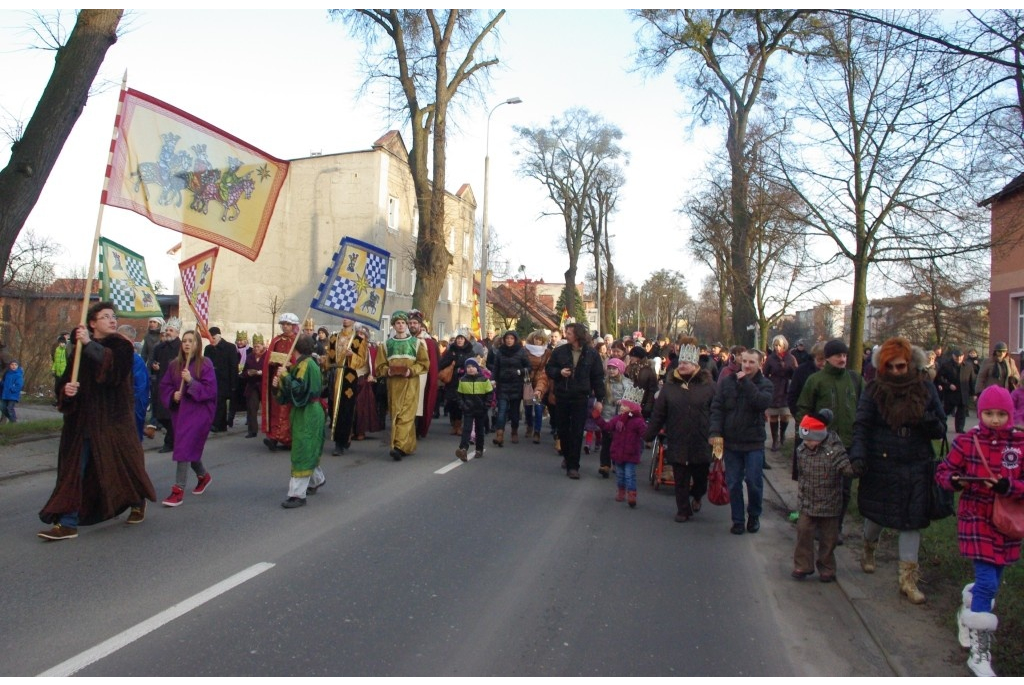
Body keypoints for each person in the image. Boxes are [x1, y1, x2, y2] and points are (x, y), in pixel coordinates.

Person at [38, 301, 156, 540]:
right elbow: (65, 380)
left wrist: (89, 343)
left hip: (114, 420)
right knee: (75, 470)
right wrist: (66, 390)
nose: (112, 320)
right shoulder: (79, 350)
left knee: (123, 465)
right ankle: (68, 522)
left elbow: (113, 370)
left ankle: (136, 501)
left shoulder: (121, 346)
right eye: (105, 317)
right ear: (92, 323)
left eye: (113, 316)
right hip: (82, 421)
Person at [936, 385, 1024, 677]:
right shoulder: (968, 441)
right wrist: (956, 481)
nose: (995, 420)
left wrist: (1008, 486)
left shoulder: (1020, 443)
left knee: (992, 583)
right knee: (987, 582)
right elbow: (943, 471)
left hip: (1008, 521)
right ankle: (979, 653)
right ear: (980, 412)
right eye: (989, 414)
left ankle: (968, 609)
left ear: (1010, 415)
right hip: (976, 518)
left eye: (1001, 414)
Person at [850, 337, 946, 604]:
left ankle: (908, 580)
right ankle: (868, 548)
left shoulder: (925, 388)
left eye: (900, 366)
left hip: (916, 464)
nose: (895, 371)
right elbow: (862, 425)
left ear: (910, 364)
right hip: (882, 462)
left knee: (911, 521)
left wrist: (925, 420)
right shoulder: (873, 390)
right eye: (889, 366)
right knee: (877, 516)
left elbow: (940, 427)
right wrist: (857, 454)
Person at [795, 338, 864, 536]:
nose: (842, 359)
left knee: (843, 490)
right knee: (821, 489)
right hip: (822, 445)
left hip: (848, 443)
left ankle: (836, 528)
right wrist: (810, 435)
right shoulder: (815, 380)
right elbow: (803, 410)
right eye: (837, 356)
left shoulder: (855, 380)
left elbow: (865, 407)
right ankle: (818, 526)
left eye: (844, 355)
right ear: (827, 358)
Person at [643, 339, 716, 522]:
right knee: (680, 477)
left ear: (696, 365)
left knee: (700, 477)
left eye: (687, 363)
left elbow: (717, 412)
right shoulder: (670, 387)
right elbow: (659, 414)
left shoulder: (709, 387)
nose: (682, 366)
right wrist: (649, 435)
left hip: (701, 439)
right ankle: (683, 510)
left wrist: (717, 434)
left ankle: (698, 495)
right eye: (681, 362)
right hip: (677, 438)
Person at [710, 348, 773, 535]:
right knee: (733, 483)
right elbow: (717, 408)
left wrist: (745, 382)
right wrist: (715, 432)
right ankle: (737, 519)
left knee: (753, 482)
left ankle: (754, 514)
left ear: (760, 363)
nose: (746, 365)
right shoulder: (727, 382)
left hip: (753, 442)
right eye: (744, 361)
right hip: (731, 442)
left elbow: (761, 402)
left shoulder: (765, 384)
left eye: (751, 362)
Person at [791, 409, 857, 583]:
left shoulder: (834, 450)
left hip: (830, 503)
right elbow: (801, 474)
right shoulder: (801, 450)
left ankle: (827, 567)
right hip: (807, 503)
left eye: (810, 439)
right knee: (803, 533)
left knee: (829, 538)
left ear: (820, 435)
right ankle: (803, 565)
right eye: (804, 439)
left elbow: (847, 468)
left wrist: (855, 467)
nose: (807, 442)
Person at [159, 330, 216, 507]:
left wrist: (191, 381)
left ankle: (178, 490)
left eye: (191, 341)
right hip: (181, 413)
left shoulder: (205, 364)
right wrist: (172, 395)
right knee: (187, 446)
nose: (187, 344)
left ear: (197, 344)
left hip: (199, 413)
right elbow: (165, 385)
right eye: (184, 341)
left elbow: (210, 390)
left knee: (184, 446)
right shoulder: (174, 365)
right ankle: (203, 476)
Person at [545, 323, 605, 480]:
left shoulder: (591, 354)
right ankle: (567, 455)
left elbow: (598, 377)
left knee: (577, 431)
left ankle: (573, 466)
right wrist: (559, 372)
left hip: (580, 396)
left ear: (578, 335)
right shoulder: (559, 351)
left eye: (570, 332)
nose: (567, 334)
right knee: (563, 430)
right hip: (563, 395)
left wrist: (599, 398)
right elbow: (549, 369)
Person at [274, 334, 327, 508]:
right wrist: (280, 382)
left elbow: (299, 390)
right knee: (308, 448)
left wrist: (285, 377)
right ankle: (317, 479)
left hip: (308, 413)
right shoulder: (304, 363)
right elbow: (291, 391)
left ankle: (297, 495)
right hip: (304, 412)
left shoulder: (306, 365)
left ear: (296, 349)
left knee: (302, 451)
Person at [375, 311, 429, 460]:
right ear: (393, 325)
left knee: (406, 415)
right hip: (394, 385)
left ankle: (397, 446)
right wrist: (388, 371)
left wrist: (411, 371)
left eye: (403, 323)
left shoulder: (416, 343)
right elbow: (379, 366)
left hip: (411, 383)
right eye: (398, 323)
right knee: (396, 415)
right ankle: (407, 446)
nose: (401, 325)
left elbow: (424, 364)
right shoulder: (386, 345)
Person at [595, 388, 647, 508]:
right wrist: (598, 418)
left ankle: (632, 494)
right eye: (622, 405)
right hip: (618, 453)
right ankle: (621, 491)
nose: (622, 407)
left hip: (631, 453)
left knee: (630, 475)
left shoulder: (638, 422)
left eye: (625, 405)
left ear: (632, 408)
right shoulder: (617, 420)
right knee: (620, 475)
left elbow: (644, 433)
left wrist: (651, 431)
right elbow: (607, 427)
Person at [327, 319, 368, 455]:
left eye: (348, 317)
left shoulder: (358, 340)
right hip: (334, 374)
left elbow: (362, 360)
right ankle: (340, 437)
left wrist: (353, 356)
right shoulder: (333, 338)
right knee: (333, 408)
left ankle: (341, 440)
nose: (345, 319)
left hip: (348, 376)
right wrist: (323, 362)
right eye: (343, 317)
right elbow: (329, 359)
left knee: (345, 408)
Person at [263, 313, 300, 451]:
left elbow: (300, 360)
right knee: (276, 407)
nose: (285, 327)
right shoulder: (276, 340)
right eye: (283, 324)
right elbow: (268, 359)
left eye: (288, 324)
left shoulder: (297, 341)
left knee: (288, 409)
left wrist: (291, 365)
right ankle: (273, 436)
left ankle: (288, 438)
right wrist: (271, 362)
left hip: (290, 379)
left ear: (293, 326)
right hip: (277, 379)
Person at [491, 330, 531, 446]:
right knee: (501, 411)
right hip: (502, 385)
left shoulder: (521, 351)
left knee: (514, 412)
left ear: (515, 340)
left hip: (516, 385)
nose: (509, 340)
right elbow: (496, 367)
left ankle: (514, 431)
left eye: (511, 338)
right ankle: (499, 435)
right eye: (507, 338)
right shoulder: (500, 352)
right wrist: (493, 379)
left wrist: (520, 371)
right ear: (504, 340)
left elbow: (528, 367)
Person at [596, 357, 634, 478]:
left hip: (620, 416)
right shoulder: (604, 381)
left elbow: (631, 398)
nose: (611, 371)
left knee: (617, 441)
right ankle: (605, 465)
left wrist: (623, 401)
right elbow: (599, 395)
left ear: (620, 369)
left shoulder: (626, 383)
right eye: (609, 368)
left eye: (614, 368)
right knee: (606, 441)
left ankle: (616, 462)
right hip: (607, 414)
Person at [150, 318, 181, 453]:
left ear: (177, 333)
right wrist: (154, 366)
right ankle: (174, 439)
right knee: (161, 415)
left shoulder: (180, 347)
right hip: (161, 384)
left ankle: (170, 442)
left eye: (171, 330)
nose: (168, 332)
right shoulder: (159, 347)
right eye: (167, 330)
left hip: (175, 386)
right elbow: (152, 361)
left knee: (171, 415)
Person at [763, 334, 798, 453]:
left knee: (785, 415)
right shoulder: (770, 358)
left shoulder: (791, 358)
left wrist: (790, 370)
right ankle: (775, 440)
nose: (777, 347)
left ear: (784, 345)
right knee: (773, 415)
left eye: (779, 345)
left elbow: (796, 373)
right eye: (775, 345)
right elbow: (765, 373)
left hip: (786, 388)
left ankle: (782, 434)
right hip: (774, 387)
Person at [438, 329, 476, 437]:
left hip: (464, 380)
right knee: (451, 403)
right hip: (452, 381)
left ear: (465, 340)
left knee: (460, 403)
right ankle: (454, 423)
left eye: (461, 338)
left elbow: (472, 365)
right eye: (458, 338)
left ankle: (458, 425)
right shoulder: (451, 351)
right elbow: (442, 363)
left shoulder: (470, 351)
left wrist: (462, 368)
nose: (459, 340)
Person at [455, 357, 494, 461]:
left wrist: (486, 405)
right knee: (466, 430)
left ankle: (479, 449)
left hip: (481, 409)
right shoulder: (462, 380)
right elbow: (459, 395)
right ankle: (463, 449)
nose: (470, 369)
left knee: (479, 430)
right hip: (468, 409)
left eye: (473, 366)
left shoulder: (485, 380)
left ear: (477, 368)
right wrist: (463, 405)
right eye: (468, 367)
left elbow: (490, 394)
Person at [408, 310, 439, 438]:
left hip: (421, 376)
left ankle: (416, 428)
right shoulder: (403, 338)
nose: (412, 325)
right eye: (410, 323)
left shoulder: (428, 342)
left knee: (419, 403)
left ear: (420, 325)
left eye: (415, 323)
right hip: (405, 375)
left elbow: (433, 363)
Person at [204, 326, 239, 432]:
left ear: (219, 336)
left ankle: (218, 424)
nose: (212, 341)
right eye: (210, 338)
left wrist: (234, 384)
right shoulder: (208, 349)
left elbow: (233, 366)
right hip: (211, 379)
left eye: (213, 338)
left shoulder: (230, 347)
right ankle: (220, 424)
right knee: (214, 401)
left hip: (224, 380)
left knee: (220, 402)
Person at [118, 324, 150, 441]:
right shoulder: (117, 357)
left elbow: (139, 387)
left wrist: (124, 400)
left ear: (131, 341)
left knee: (132, 440)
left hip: (133, 407)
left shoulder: (136, 361)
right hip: (121, 408)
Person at [936, 347, 977, 434]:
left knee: (961, 413)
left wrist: (974, 394)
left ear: (963, 356)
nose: (958, 358)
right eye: (956, 356)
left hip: (963, 393)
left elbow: (972, 381)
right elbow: (939, 378)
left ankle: (959, 428)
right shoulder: (946, 366)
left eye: (960, 356)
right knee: (946, 411)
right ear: (953, 356)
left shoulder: (968, 367)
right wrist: (948, 385)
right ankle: (940, 425)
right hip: (951, 393)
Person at [352, 324, 382, 440]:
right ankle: (351, 430)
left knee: (361, 407)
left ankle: (360, 431)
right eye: (358, 334)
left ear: (366, 337)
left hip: (363, 379)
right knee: (351, 406)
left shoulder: (370, 349)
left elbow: (374, 363)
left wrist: (372, 375)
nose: (360, 336)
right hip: (351, 379)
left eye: (362, 334)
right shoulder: (352, 347)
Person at [524, 331, 551, 445]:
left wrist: (540, 387)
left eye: (540, 339)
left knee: (538, 407)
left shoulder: (547, 352)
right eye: (536, 339)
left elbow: (546, 370)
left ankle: (537, 431)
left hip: (540, 381)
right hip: (528, 381)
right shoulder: (526, 350)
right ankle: (530, 425)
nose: (537, 341)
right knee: (528, 407)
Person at [242, 333, 266, 438]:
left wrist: (262, 373)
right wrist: (248, 373)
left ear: (263, 346)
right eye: (255, 346)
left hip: (264, 385)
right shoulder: (250, 357)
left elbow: (271, 370)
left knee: (267, 408)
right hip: (252, 385)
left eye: (258, 346)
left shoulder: (267, 356)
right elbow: (244, 373)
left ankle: (269, 430)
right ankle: (252, 430)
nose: (256, 348)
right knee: (252, 407)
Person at [1, 359, 24, 423]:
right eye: (12, 364)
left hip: (13, 395)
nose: (13, 366)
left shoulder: (18, 375)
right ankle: (11, 419)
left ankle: (13, 421)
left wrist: (12, 389)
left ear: (18, 366)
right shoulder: (7, 373)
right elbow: (4, 382)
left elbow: (19, 385)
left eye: (15, 365)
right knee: (2, 407)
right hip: (5, 394)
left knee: (9, 408)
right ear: (9, 366)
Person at [50, 333, 68, 406]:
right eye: (61, 343)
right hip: (57, 372)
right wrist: (53, 369)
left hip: (64, 372)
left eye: (63, 343)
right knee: (57, 387)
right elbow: (55, 361)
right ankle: (58, 401)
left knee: (63, 388)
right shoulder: (57, 350)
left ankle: (63, 401)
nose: (62, 344)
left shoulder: (66, 351)